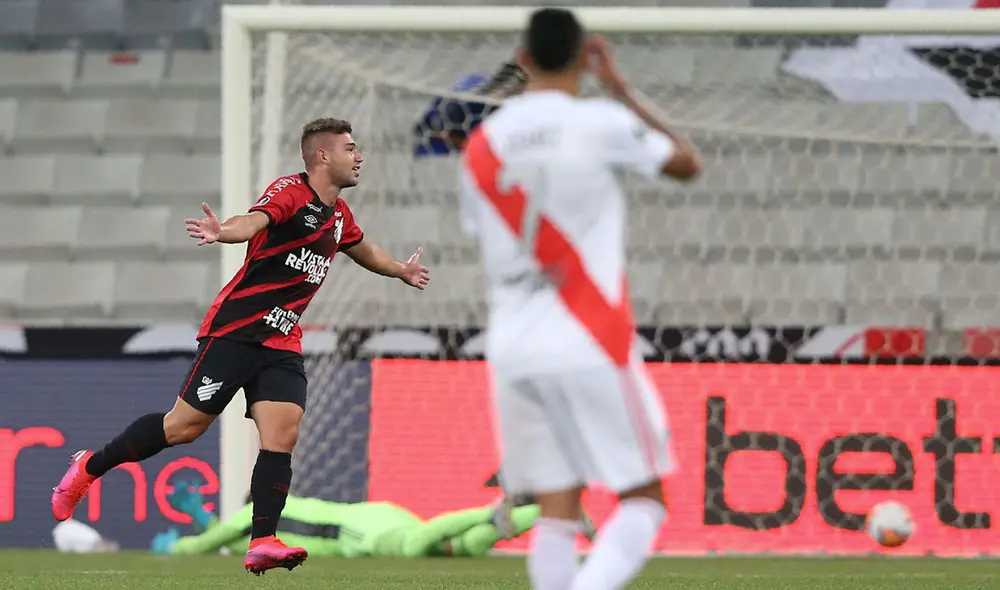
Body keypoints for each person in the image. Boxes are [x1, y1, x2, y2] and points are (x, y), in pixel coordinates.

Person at [51, 117, 432, 575]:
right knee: (183, 428)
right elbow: (253, 221)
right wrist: (222, 232)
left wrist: (401, 270)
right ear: (323, 155)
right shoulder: (291, 192)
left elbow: (364, 249)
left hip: (282, 339)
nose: (359, 157)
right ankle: (89, 466)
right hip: (237, 330)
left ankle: (263, 540)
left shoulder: (339, 216)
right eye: (350, 149)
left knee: (282, 433)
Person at [458, 8, 700, 590]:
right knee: (645, 501)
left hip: (513, 347)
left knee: (557, 512)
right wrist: (621, 89)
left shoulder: (482, 144)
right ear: (585, 58)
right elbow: (686, 165)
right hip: (589, 336)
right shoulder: (599, 121)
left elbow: (480, 231)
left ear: (522, 59)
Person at [150, 481, 544, 559]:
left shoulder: (254, 516)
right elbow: (229, 540)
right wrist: (199, 514)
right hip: (372, 514)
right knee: (452, 549)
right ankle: (546, 513)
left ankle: (493, 512)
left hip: (356, 532)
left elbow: (210, 542)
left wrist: (175, 547)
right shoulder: (266, 523)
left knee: (413, 547)